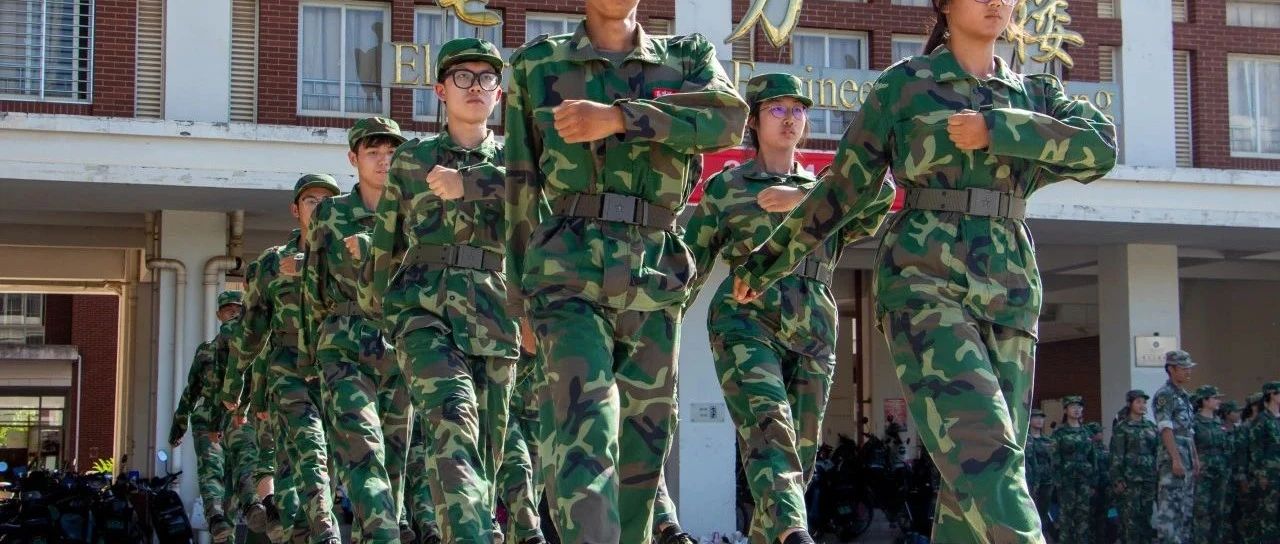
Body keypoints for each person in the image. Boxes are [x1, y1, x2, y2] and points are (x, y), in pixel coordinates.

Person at [727, 0, 1116, 538]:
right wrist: (768, 261)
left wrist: (999, 129)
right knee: (984, 451)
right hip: (924, 282)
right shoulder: (904, 86)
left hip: (1010, 288)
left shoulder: (1035, 94)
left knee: (979, 474)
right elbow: (844, 188)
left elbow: (1100, 148)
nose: (996, 2)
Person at [503, 0, 748, 540]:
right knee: (582, 428)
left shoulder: (687, 59)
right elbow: (519, 185)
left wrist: (619, 117)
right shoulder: (538, 64)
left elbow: (729, 121)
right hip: (567, 269)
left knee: (644, 445)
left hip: (654, 271)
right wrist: (517, 301)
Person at [682, 72, 886, 544]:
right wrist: (655, 329)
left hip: (814, 324)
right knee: (770, 430)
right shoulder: (726, 187)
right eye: (777, 109)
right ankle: (796, 535)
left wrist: (808, 198)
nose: (790, 118)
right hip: (745, 319)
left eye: (798, 110)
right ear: (753, 121)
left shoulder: (831, 189)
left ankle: (777, 533)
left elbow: (883, 192)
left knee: (799, 456)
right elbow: (690, 263)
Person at [357, 38, 516, 544]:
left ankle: (471, 529)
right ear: (441, 91)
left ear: (499, 94)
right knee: (452, 417)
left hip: (496, 316)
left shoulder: (519, 164)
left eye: (487, 78)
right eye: (463, 77)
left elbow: (543, 216)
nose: (476, 87)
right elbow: (386, 242)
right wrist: (380, 317)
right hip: (423, 311)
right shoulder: (412, 160)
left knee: (487, 449)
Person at [301, 117, 412, 543]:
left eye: (391, 153)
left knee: (395, 461)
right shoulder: (331, 214)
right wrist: (310, 355)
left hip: (400, 345)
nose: (384, 161)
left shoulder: (415, 212)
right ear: (353, 158)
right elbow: (313, 285)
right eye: (373, 153)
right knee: (363, 449)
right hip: (344, 344)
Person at [223, 174, 343, 544]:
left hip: (338, 368)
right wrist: (234, 383)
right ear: (295, 209)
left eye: (326, 201)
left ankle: (301, 529)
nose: (319, 208)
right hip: (288, 369)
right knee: (310, 445)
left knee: (316, 464)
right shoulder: (272, 263)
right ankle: (324, 526)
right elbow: (251, 327)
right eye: (311, 201)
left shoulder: (349, 256)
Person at [169, 290, 246, 543]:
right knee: (211, 471)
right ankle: (216, 518)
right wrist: (179, 424)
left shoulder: (254, 349)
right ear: (218, 315)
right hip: (206, 419)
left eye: (238, 309)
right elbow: (191, 389)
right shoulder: (206, 351)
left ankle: (225, 532)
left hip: (239, 422)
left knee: (234, 482)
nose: (233, 313)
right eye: (228, 310)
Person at [1152, 350, 1199, 544]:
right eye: (1183, 368)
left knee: (1185, 510)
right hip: (1173, 459)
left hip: (1186, 457)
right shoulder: (1165, 394)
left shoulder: (1184, 396)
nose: (1188, 371)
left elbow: (1189, 431)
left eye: (1189, 367)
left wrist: (1195, 458)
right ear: (1171, 369)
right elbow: (1165, 428)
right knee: (1170, 510)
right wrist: (1176, 459)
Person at [1111, 389, 1157, 544]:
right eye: (1138, 402)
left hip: (1149, 478)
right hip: (1130, 480)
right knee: (1130, 520)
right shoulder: (1122, 427)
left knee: (1146, 517)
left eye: (1144, 402)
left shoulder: (1151, 426)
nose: (1142, 405)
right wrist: (1118, 479)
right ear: (1130, 404)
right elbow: (1116, 455)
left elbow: (1157, 452)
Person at [1053, 396, 1097, 544]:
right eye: (1072, 406)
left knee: (1083, 517)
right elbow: (1055, 459)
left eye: (1079, 406)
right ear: (1065, 410)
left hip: (1085, 480)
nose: (1077, 409)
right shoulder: (1060, 433)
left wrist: (1093, 482)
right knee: (1066, 518)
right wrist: (1058, 481)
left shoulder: (1087, 432)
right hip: (1067, 481)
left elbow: (1093, 458)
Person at [1191, 384, 1229, 544]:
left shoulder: (1218, 421)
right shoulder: (1194, 422)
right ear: (1205, 401)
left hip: (1220, 469)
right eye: (1215, 398)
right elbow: (1191, 446)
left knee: (1219, 510)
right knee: (1202, 510)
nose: (1218, 401)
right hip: (1203, 471)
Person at [1246, 381, 1280, 543]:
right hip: (1270, 474)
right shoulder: (1262, 420)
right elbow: (1255, 449)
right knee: (1269, 516)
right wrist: (1261, 474)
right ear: (1272, 395)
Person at [1025, 409, 1054, 531]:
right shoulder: (1025, 440)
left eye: (1042, 418)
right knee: (1030, 512)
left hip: (1046, 482)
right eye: (1036, 417)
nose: (1039, 420)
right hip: (1030, 482)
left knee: (1044, 513)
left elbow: (1052, 461)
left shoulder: (1048, 441)